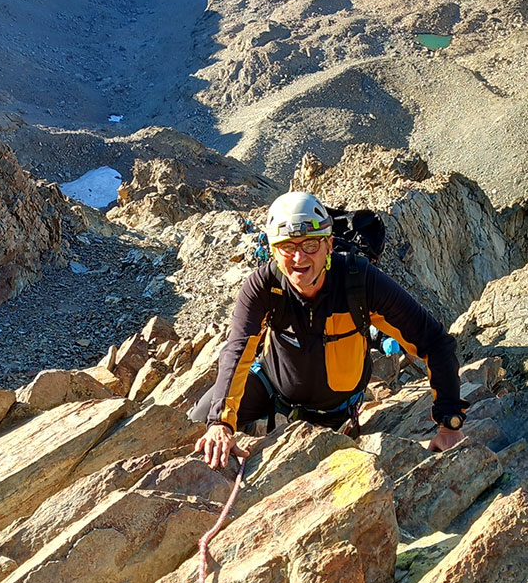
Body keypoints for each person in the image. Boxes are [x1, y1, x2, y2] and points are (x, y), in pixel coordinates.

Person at [193, 191, 467, 469]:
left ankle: (263, 431)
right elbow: (238, 349)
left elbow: (434, 341)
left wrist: (449, 424)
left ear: (329, 245)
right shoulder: (263, 287)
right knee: (200, 420)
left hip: (334, 412)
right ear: (274, 251)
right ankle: (256, 429)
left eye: (311, 244)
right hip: (273, 389)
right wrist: (220, 423)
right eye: (287, 246)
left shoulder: (359, 282)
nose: (299, 257)